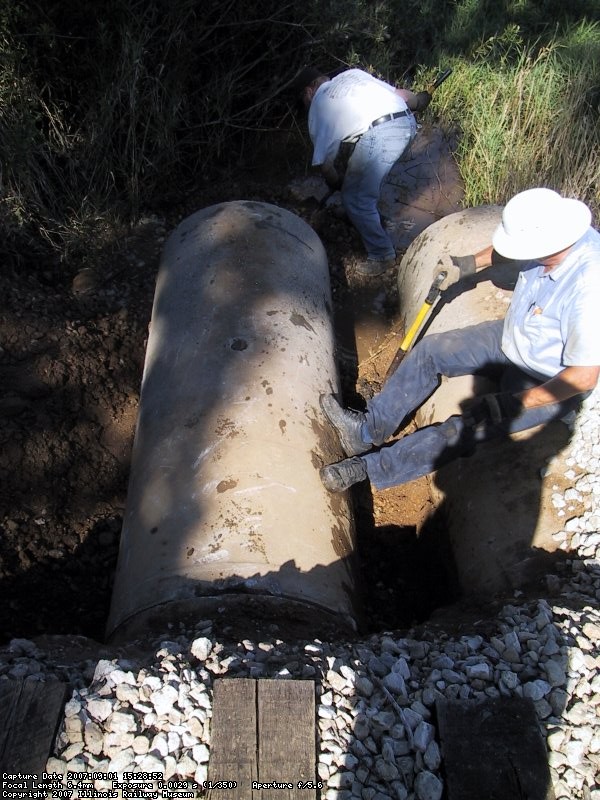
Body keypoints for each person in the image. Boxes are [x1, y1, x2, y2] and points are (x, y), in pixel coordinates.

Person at [318, 187, 600, 492]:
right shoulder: (550, 242)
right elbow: (508, 253)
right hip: (515, 338)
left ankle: (370, 468)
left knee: (466, 425)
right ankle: (365, 430)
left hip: (547, 378)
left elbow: (583, 376)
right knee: (432, 351)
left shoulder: (588, 285)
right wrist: (465, 264)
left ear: (545, 245)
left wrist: (516, 402)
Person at [292, 66, 431, 276]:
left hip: (382, 133)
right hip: (406, 124)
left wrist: (336, 183)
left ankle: (382, 255)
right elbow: (402, 95)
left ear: (308, 91)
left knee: (355, 198)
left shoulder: (317, 106)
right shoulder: (352, 76)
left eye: (303, 100)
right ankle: (377, 220)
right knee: (361, 184)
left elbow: (324, 164)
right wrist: (419, 101)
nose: (305, 105)